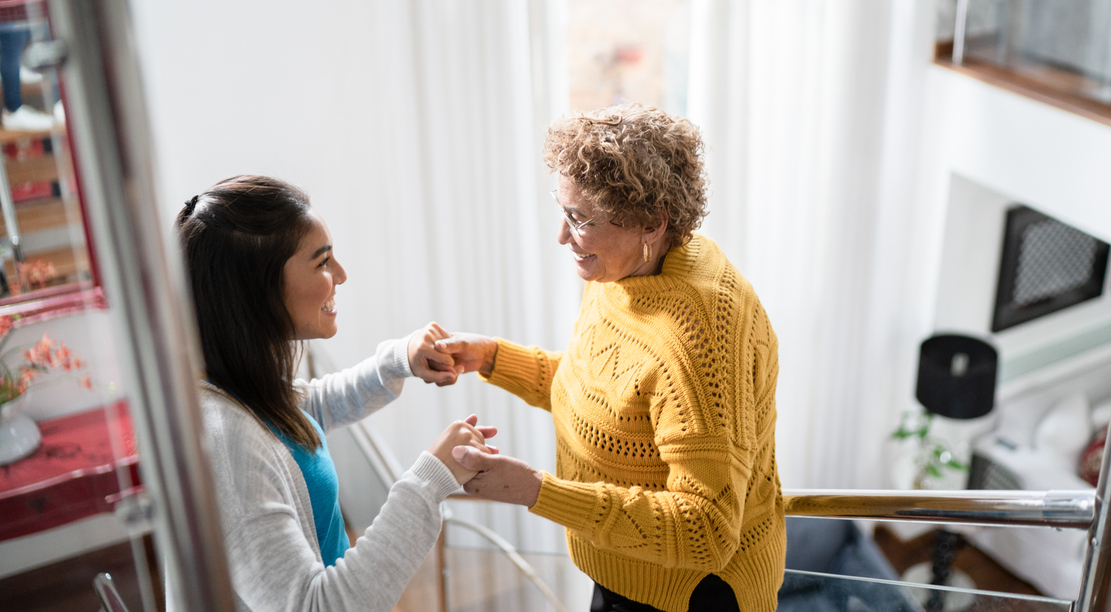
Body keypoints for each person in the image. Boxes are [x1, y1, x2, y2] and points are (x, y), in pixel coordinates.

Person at [415, 104, 786, 612]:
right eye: (562, 211)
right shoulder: (625, 271)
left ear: (651, 222)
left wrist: (537, 491)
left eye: (579, 219)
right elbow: (603, 393)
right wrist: (492, 357)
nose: (563, 237)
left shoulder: (700, 338)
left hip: (688, 595)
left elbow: (706, 529)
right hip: (626, 566)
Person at [175, 175, 496, 612]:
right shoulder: (228, 442)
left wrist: (401, 358)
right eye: (322, 262)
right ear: (258, 289)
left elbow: (310, 408)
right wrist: (429, 480)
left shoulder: (239, 389)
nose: (341, 275)